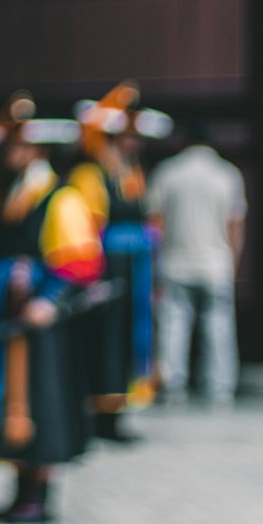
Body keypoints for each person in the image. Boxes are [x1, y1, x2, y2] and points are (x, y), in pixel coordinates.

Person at [0, 94, 103, 523]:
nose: (10, 154)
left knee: (41, 400)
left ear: (37, 148)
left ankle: (38, 493)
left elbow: (80, 259)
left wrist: (49, 299)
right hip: (7, 310)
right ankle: (21, 485)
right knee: (9, 395)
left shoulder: (60, 197)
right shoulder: (5, 194)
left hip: (41, 320)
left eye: (17, 146)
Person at [68, 83, 172, 440]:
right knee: (105, 339)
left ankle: (118, 411)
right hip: (108, 266)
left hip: (135, 266)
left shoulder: (131, 172)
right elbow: (87, 226)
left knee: (130, 336)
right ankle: (99, 412)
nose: (133, 143)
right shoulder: (90, 174)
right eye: (125, 136)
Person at [147, 123, 246, 406]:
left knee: (173, 326)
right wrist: (233, 262)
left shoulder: (167, 172)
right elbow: (235, 225)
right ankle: (220, 388)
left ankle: (172, 386)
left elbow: (156, 224)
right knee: (219, 328)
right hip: (216, 262)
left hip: (174, 261)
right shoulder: (227, 174)